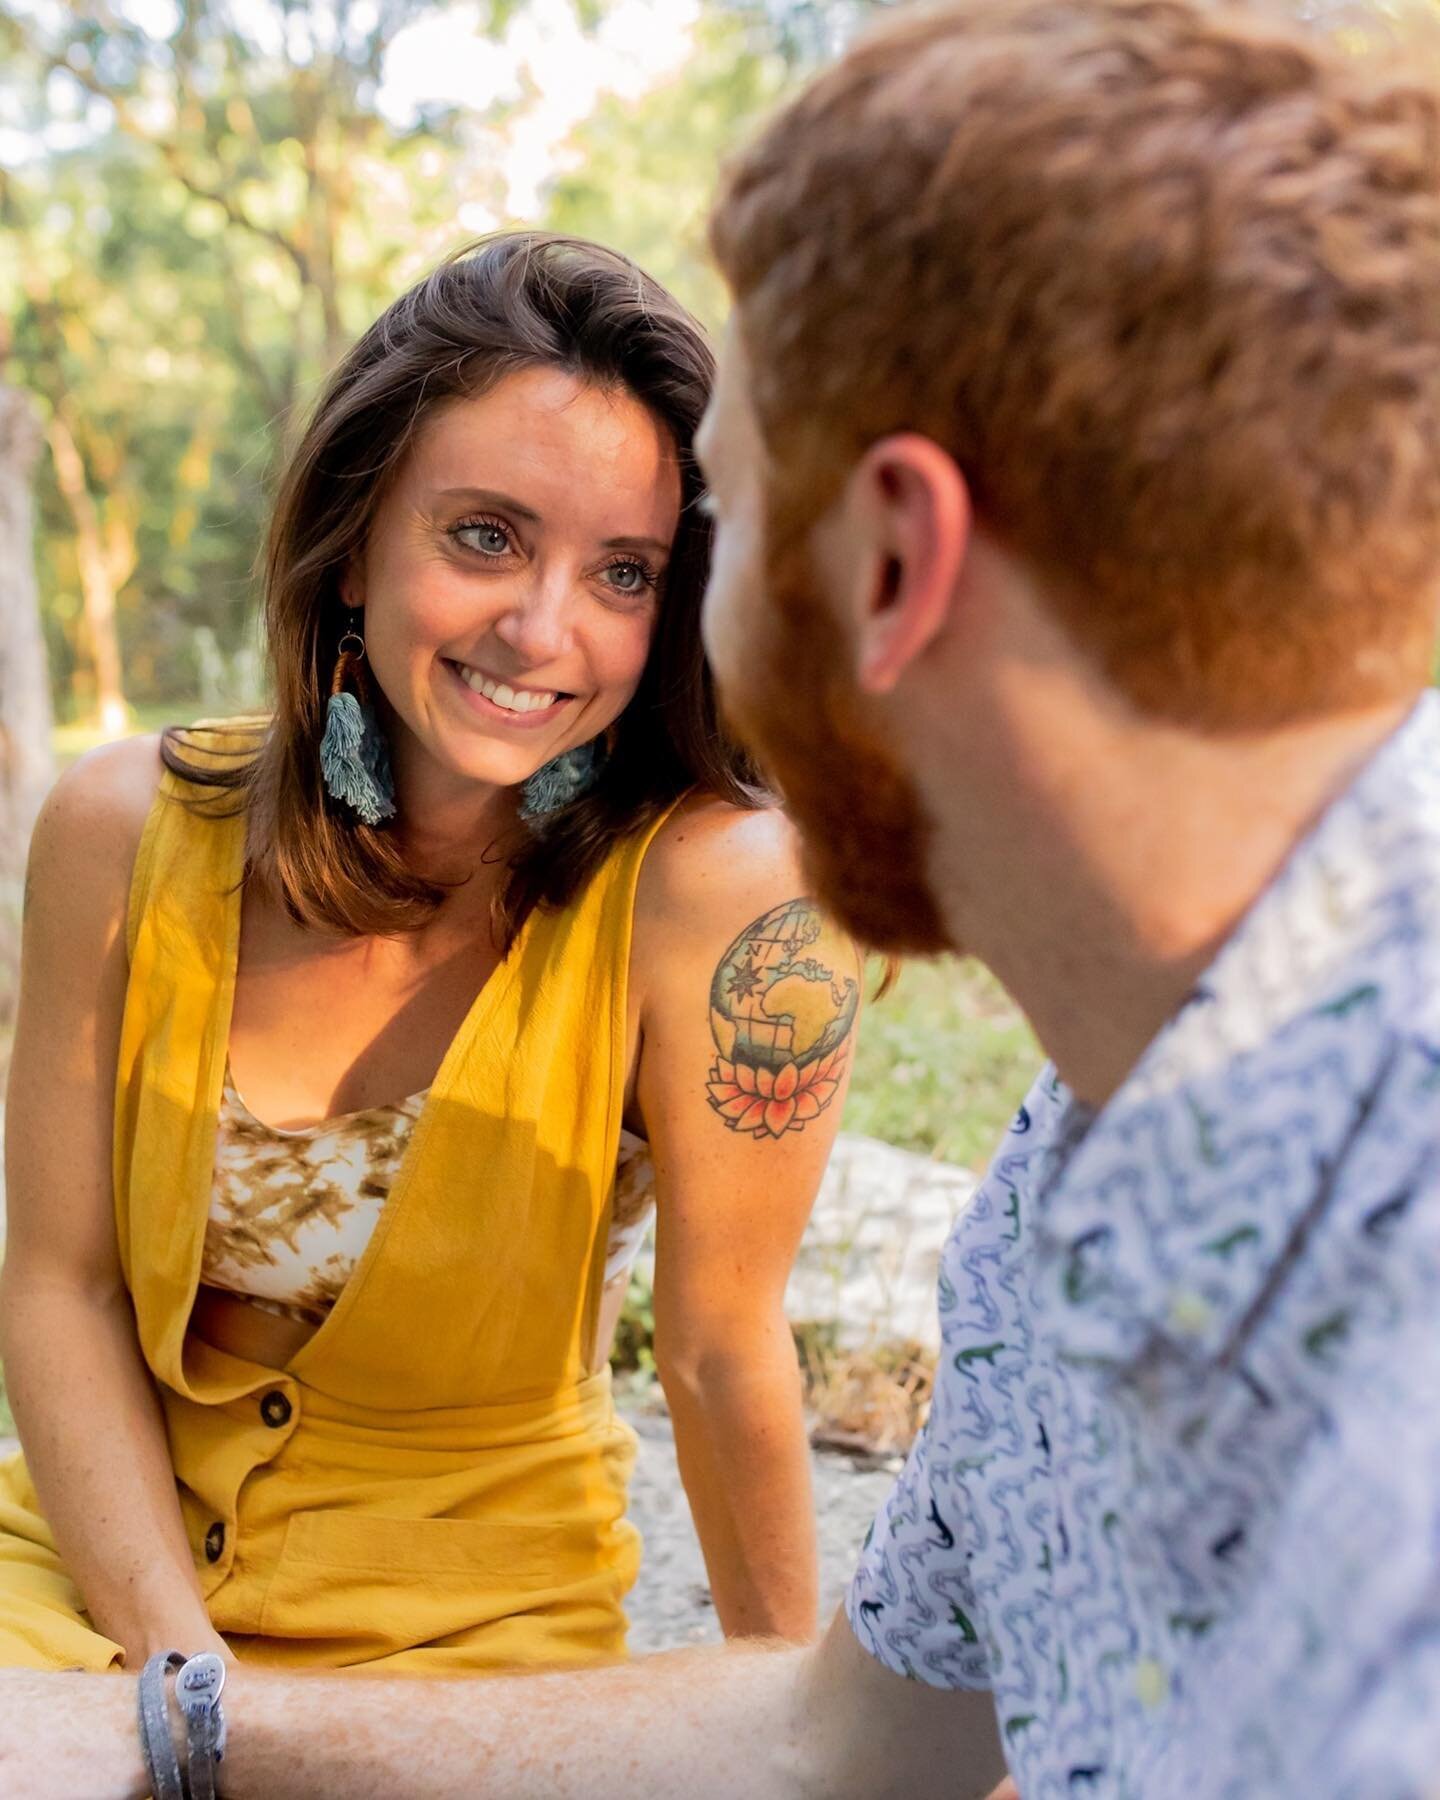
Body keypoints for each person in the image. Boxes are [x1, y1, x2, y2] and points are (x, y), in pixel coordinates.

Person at [7, 0, 1440, 1793]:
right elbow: (843, 1739)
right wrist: (167, 1723)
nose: (604, 635)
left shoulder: (1385, 1253)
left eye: (694, 540)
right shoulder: (1055, 1205)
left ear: (897, 560)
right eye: (489, 540)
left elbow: (731, 1377)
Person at [0, 231, 857, 1680]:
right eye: (486, 536)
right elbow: (58, 1288)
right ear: (354, 538)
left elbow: (718, 1355)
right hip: (92, 1579)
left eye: (625, 572)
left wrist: (823, 1736)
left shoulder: (716, 893)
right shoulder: (119, 830)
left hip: (476, 1623)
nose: (544, 630)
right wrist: (177, 1679)